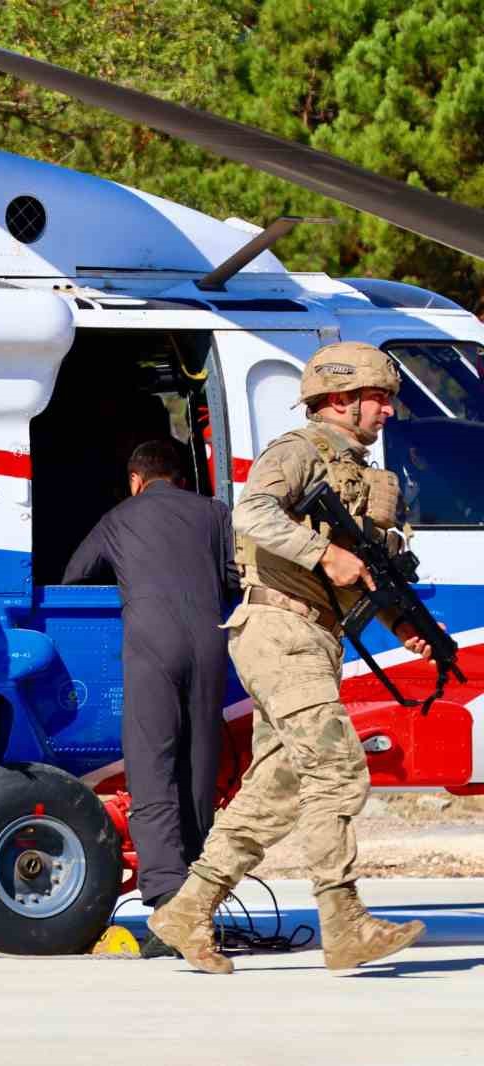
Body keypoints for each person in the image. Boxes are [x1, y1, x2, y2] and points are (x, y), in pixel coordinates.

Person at [151, 342, 435, 974]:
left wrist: (402, 624)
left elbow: (361, 575)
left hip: (314, 634)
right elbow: (250, 513)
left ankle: (188, 908)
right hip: (279, 628)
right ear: (340, 399)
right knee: (338, 769)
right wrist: (323, 554)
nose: (387, 412)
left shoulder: (362, 473)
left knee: (276, 789)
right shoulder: (299, 451)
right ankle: (344, 921)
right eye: (379, 399)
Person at [62, 439, 238, 957]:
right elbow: (233, 576)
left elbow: (76, 573)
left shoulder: (121, 516)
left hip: (152, 647)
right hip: (211, 643)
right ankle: (198, 889)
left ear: (136, 479)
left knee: (151, 764)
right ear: (180, 478)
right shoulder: (214, 512)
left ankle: (167, 899)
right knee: (200, 762)